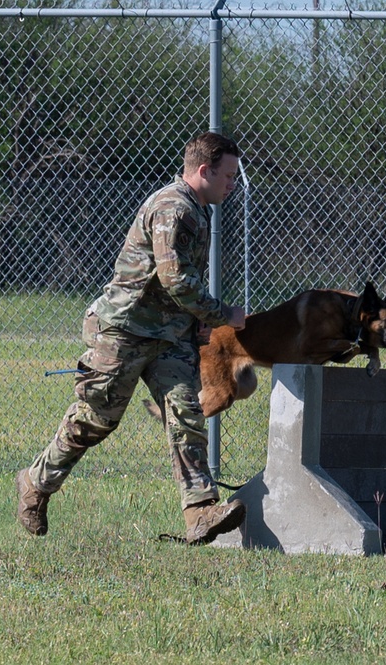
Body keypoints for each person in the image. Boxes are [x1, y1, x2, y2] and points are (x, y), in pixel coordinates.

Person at [16, 132, 248, 545]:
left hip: (169, 337)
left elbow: (183, 280)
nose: (233, 183)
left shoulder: (200, 208)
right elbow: (174, 276)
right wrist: (221, 314)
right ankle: (36, 482)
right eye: (228, 175)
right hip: (125, 330)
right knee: (96, 419)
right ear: (203, 171)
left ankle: (199, 511)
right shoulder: (173, 208)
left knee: (186, 415)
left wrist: (196, 323)